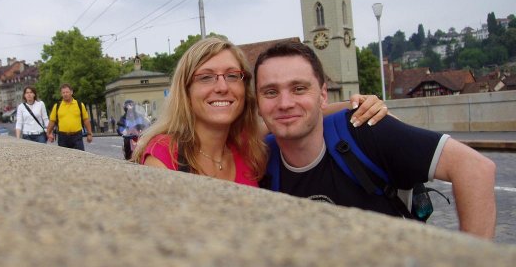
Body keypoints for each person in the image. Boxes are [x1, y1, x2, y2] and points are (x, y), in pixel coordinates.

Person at [253, 40, 496, 239]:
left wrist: (473, 266)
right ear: (258, 103)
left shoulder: (364, 128)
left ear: (323, 95)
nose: (285, 103)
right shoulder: (260, 159)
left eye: (299, 89)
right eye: (270, 92)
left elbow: (475, 168)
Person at [133, 37, 387, 186]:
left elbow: (300, 113)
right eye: (206, 77)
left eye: (232, 76)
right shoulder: (165, 155)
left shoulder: (246, 143)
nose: (222, 87)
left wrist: (360, 104)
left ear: (245, 89)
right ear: (185, 90)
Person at [46, 83, 93, 150]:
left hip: (77, 136)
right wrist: (48, 133)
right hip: (63, 137)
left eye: (67, 92)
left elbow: (86, 120)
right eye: (63, 92)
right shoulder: (57, 106)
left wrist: (89, 133)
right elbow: (52, 121)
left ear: (71, 92)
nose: (65, 94)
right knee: (64, 156)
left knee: (79, 155)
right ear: (61, 94)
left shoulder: (79, 105)